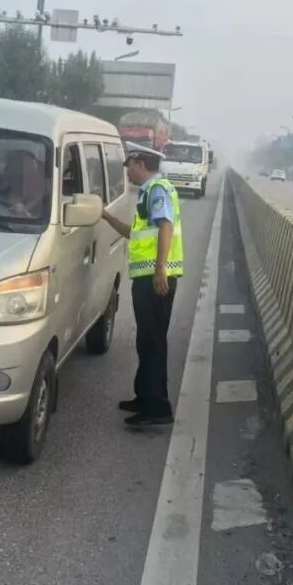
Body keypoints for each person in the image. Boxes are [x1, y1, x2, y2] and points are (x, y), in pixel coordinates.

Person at [99, 143, 185, 426]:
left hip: (156, 280)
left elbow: (166, 227)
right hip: (147, 278)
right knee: (145, 340)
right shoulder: (149, 192)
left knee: (153, 341)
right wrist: (106, 216)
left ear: (138, 163)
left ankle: (158, 406)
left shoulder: (158, 190)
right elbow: (134, 234)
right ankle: (144, 396)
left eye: (128, 166)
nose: (128, 172)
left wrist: (160, 269)